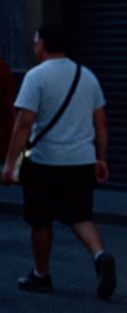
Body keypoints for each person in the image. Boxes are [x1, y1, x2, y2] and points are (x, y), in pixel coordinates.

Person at [1, 24, 116, 297]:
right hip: (81, 160)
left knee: (40, 220)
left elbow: (23, 123)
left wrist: (10, 163)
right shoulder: (86, 75)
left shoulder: (35, 77)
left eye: (35, 42)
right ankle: (100, 256)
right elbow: (101, 122)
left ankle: (42, 274)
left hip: (45, 161)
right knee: (80, 216)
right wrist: (101, 158)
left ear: (42, 44)